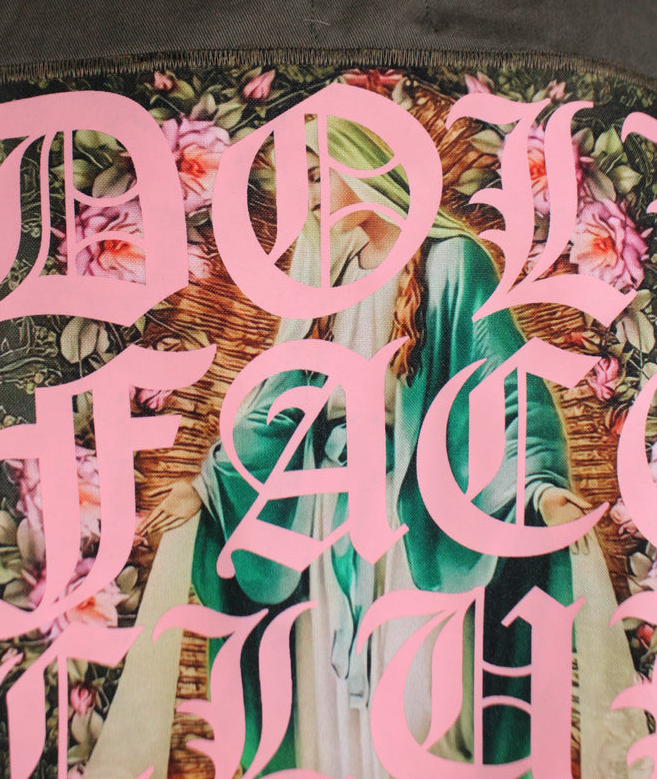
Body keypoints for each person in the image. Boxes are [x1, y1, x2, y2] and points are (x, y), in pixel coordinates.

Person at [140, 114, 590, 776]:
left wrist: (539, 485)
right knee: (331, 699)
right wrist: (208, 484)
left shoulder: (450, 262)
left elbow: (506, 384)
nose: (309, 198)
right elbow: (277, 402)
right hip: (328, 517)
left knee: (418, 700)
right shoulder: (328, 276)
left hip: (418, 522)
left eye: (317, 177)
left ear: (364, 168)